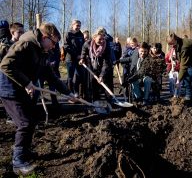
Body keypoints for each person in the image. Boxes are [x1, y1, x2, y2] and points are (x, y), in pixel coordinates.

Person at [0, 22, 75, 175]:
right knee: (25, 123)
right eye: (54, 43)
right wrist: (27, 82)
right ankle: (18, 162)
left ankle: (24, 151)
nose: (54, 47)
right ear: (45, 37)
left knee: (32, 120)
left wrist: (69, 93)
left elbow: (51, 77)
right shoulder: (27, 43)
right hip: (9, 88)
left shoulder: (42, 50)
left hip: (22, 89)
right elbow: (5, 65)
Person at [166, 33, 192, 108]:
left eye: (172, 44)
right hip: (190, 63)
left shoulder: (185, 46)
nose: (171, 46)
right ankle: (188, 100)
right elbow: (181, 60)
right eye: (170, 45)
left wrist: (178, 80)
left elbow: (183, 65)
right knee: (187, 81)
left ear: (176, 40)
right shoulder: (178, 45)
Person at [79, 27, 113, 111]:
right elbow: (84, 49)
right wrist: (82, 58)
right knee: (93, 84)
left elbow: (106, 63)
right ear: (94, 37)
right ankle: (95, 102)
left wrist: (102, 75)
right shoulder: (88, 43)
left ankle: (110, 102)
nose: (102, 41)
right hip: (92, 66)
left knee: (106, 84)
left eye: (103, 39)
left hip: (104, 67)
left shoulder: (106, 46)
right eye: (100, 39)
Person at [63, 19, 85, 98]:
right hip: (70, 59)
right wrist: (76, 55)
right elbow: (66, 46)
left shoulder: (81, 34)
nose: (78, 27)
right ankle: (70, 94)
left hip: (79, 60)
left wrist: (82, 56)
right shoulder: (68, 34)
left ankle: (77, 93)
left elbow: (83, 47)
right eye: (77, 25)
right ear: (73, 25)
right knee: (70, 77)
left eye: (79, 25)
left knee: (79, 76)